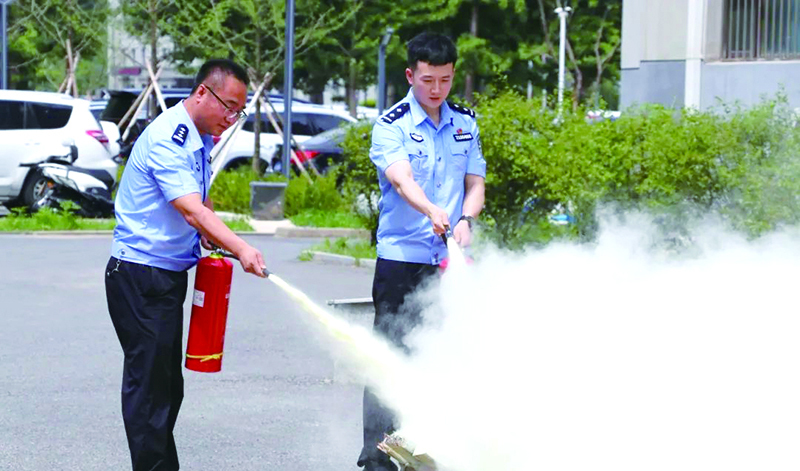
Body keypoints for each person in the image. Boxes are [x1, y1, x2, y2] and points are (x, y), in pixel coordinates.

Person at [104, 58, 267, 471]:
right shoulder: (169, 138)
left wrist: (214, 235)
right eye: (228, 106)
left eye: (239, 111)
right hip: (141, 276)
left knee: (168, 387)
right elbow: (192, 210)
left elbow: (202, 203)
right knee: (151, 390)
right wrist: (242, 248)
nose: (232, 118)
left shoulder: (201, 136)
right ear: (201, 93)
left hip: (165, 276)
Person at [358, 32, 486, 471]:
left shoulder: (466, 123)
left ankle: (426, 452)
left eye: (446, 80)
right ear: (411, 74)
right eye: (428, 80)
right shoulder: (391, 124)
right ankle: (376, 457)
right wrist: (433, 210)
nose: (437, 90)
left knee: (440, 356)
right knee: (389, 355)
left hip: (446, 262)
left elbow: (475, 184)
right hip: (400, 260)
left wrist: (466, 218)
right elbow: (401, 179)